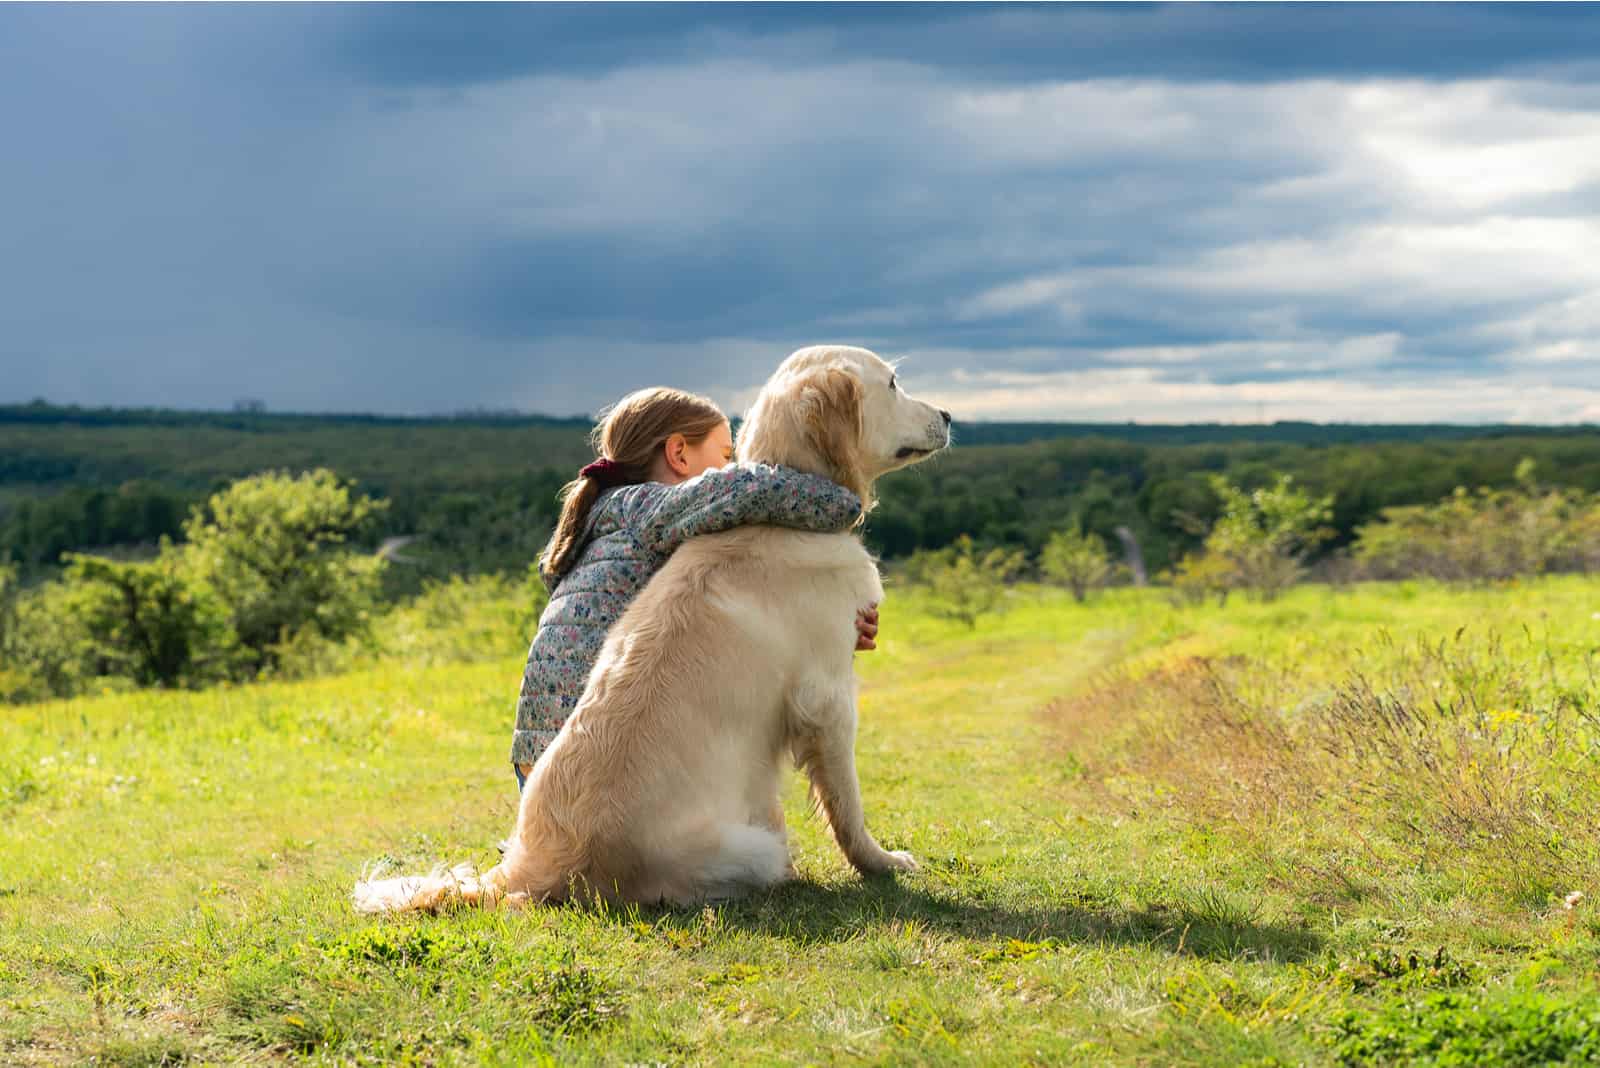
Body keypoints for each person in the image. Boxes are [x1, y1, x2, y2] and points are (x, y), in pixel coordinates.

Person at [511, 386, 879, 791]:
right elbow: (750, 490)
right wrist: (845, 498)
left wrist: (830, 631)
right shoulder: (647, 509)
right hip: (594, 766)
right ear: (679, 454)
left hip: (535, 772)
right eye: (724, 456)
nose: (732, 465)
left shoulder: (601, 525)